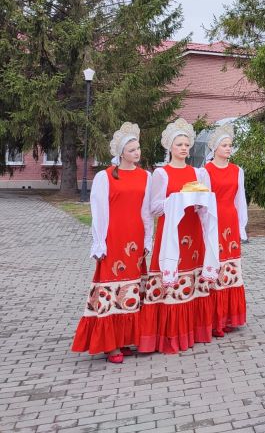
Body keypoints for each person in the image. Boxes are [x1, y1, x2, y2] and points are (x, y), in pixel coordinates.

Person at [72, 123, 152, 363]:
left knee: (132, 286)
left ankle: (125, 339)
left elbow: (147, 212)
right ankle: (111, 345)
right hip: (114, 237)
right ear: (121, 153)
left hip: (135, 237)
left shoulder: (146, 176)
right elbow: (99, 212)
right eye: (131, 150)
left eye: (138, 148)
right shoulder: (104, 177)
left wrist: (147, 238)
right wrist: (99, 242)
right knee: (112, 285)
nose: (137, 153)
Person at [138, 118, 216, 353]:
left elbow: (204, 203)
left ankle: (195, 330)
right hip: (171, 233)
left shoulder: (198, 173)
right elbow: (154, 207)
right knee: (170, 277)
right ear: (170, 147)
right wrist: (176, 200)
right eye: (179, 144)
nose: (183, 148)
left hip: (192, 230)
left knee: (192, 276)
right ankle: (168, 334)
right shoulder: (161, 174)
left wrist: (200, 203)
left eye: (186, 145)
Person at [204, 124, 248, 337]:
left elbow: (241, 200)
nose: (229, 148)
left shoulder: (237, 170)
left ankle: (229, 317)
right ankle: (215, 321)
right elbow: (203, 202)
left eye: (230, 145)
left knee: (231, 267)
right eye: (224, 145)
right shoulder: (205, 171)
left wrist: (241, 226)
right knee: (216, 265)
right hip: (214, 221)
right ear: (215, 148)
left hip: (230, 219)